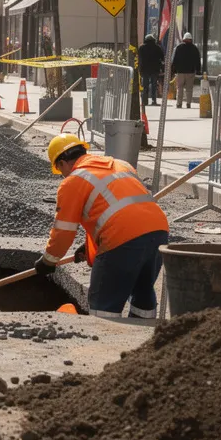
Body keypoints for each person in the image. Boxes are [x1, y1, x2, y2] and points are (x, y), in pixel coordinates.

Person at [36, 134, 170, 319]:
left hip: (122, 239)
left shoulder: (73, 181)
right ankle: (145, 340)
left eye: (60, 170)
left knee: (103, 306)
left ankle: (107, 343)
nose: (63, 175)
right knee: (142, 292)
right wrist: (90, 246)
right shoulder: (121, 165)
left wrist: (48, 261)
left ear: (62, 163)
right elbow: (115, 211)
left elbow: (64, 231)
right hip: (158, 233)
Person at [170, 32, 201, 109]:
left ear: (183, 39)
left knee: (179, 87)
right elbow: (197, 60)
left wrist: (173, 70)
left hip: (180, 72)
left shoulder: (179, 48)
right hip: (190, 71)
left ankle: (179, 103)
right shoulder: (194, 48)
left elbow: (175, 60)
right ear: (191, 39)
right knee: (189, 88)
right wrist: (198, 70)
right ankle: (188, 103)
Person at [138, 34, 164, 106]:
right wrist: (161, 67)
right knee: (154, 86)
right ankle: (153, 101)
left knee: (145, 86)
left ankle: (144, 101)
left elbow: (139, 59)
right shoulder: (157, 48)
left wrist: (139, 69)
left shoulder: (141, 48)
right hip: (155, 70)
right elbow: (162, 58)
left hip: (144, 70)